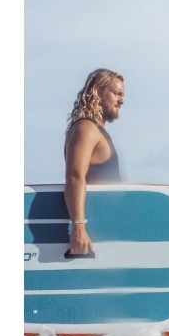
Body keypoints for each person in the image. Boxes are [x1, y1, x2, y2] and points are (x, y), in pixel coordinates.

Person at [64, 68, 125, 256]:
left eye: (122, 95)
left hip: (109, 227)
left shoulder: (96, 130)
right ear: (99, 91)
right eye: (117, 94)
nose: (121, 101)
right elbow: (75, 176)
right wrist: (78, 228)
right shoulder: (86, 128)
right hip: (94, 232)